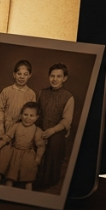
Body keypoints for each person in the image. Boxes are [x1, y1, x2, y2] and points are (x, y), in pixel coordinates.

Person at [0, 60, 37, 175]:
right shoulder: (6, 91)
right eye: (19, 74)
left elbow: (32, 111)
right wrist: (1, 124)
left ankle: (4, 174)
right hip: (5, 124)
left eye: (25, 74)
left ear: (30, 75)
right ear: (14, 74)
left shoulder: (31, 94)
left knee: (11, 152)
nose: (22, 77)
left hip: (20, 127)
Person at [34, 63, 76, 191]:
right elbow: (37, 113)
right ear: (48, 77)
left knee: (54, 143)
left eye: (59, 76)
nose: (54, 79)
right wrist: (38, 129)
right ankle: (30, 176)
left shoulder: (68, 97)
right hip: (40, 128)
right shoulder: (42, 93)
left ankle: (48, 180)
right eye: (52, 76)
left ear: (64, 78)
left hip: (57, 130)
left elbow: (66, 121)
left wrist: (52, 130)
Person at [0, 102, 46, 189]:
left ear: (36, 117)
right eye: (25, 115)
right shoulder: (16, 126)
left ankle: (27, 186)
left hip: (26, 153)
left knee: (30, 164)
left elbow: (41, 146)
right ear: (21, 115)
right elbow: (5, 139)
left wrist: (38, 158)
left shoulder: (37, 130)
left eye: (32, 116)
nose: (28, 118)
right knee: (4, 155)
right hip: (13, 150)